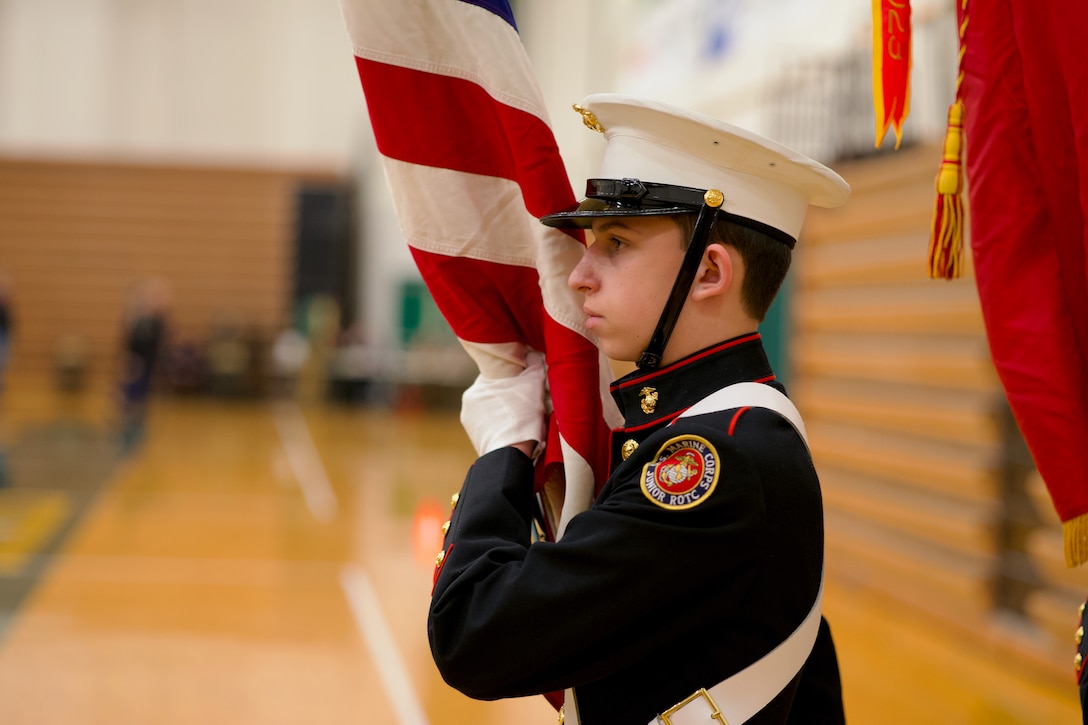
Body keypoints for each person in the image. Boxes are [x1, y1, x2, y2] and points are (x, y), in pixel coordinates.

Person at [427, 94, 850, 725]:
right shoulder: (729, 432)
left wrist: (504, 451)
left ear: (709, 271)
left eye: (617, 243)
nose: (579, 275)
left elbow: (474, 634)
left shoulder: (716, 460)